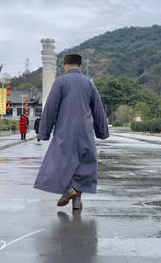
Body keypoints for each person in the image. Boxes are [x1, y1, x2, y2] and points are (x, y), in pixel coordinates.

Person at [34, 53, 109, 211]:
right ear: (80, 66)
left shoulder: (60, 82)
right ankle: (77, 201)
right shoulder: (89, 84)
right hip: (85, 130)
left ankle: (69, 190)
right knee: (83, 165)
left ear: (66, 65)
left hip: (65, 129)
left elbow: (51, 108)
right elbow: (99, 110)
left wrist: (44, 132)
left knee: (59, 162)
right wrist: (101, 131)